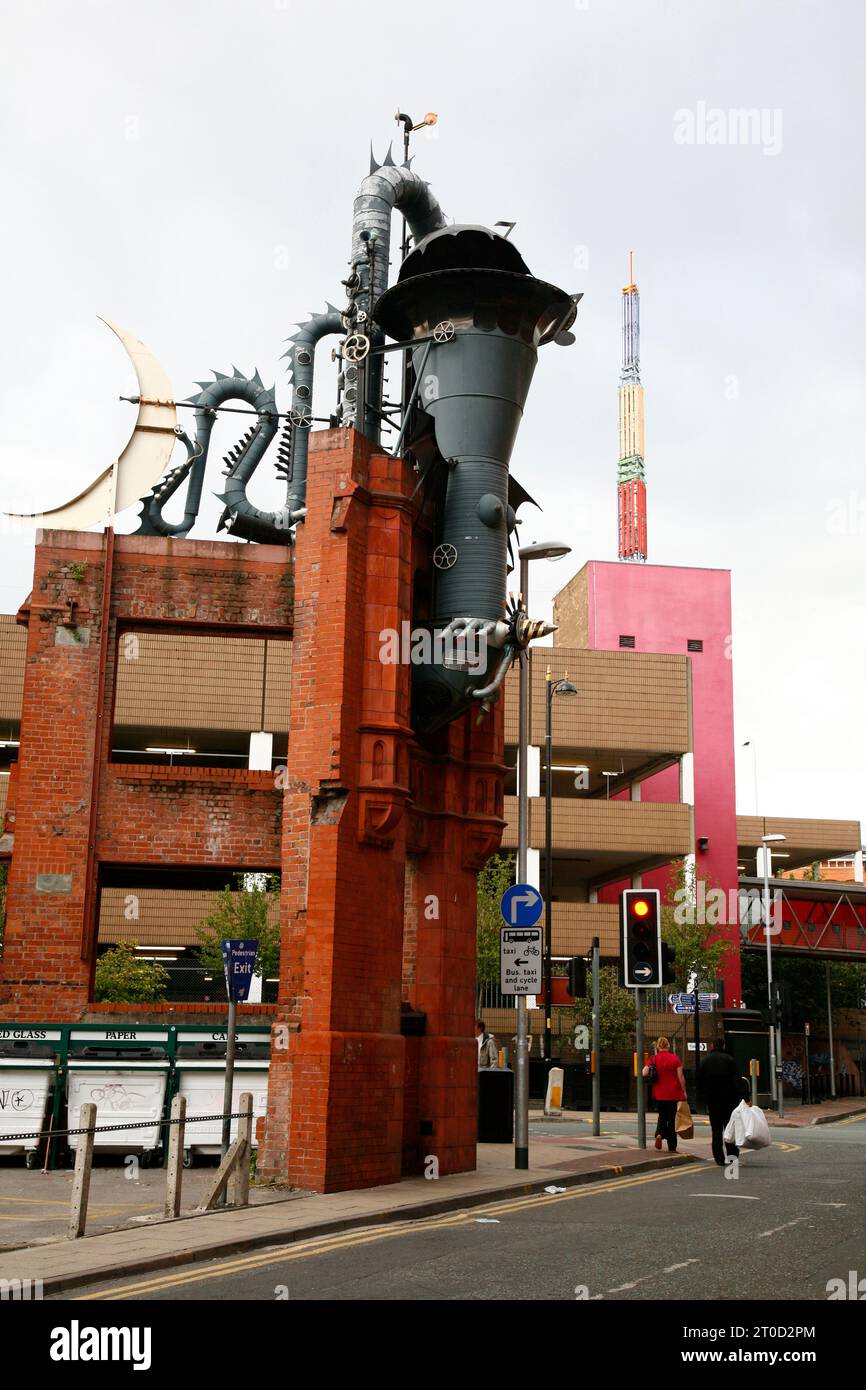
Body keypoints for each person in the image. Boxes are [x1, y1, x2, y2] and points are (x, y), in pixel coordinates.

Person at [697, 1039, 748, 1165]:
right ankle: (732, 1156)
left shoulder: (704, 1061)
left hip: (712, 1101)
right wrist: (745, 1097)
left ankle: (719, 1158)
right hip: (729, 1100)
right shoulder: (729, 1060)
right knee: (730, 1128)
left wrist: (704, 1095)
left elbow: (698, 1080)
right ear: (724, 1046)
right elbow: (737, 1080)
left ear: (712, 1046)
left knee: (716, 1130)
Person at [642, 1037, 687, 1152]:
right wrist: (684, 1091)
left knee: (662, 1116)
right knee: (672, 1119)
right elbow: (680, 1077)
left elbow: (644, 1072)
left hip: (659, 1094)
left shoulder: (653, 1059)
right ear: (668, 1046)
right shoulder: (675, 1058)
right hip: (674, 1094)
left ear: (658, 1046)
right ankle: (672, 1147)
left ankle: (659, 1134)